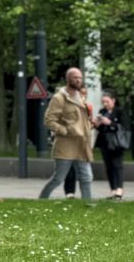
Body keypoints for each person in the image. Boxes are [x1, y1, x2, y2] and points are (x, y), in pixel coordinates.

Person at [38, 67, 95, 201]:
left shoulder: (81, 97)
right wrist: (65, 131)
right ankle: (42, 200)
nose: (78, 80)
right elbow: (49, 121)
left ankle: (88, 204)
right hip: (66, 145)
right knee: (58, 178)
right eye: (75, 77)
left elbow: (80, 121)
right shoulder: (59, 98)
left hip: (82, 144)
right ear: (68, 79)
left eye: (80, 78)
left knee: (86, 177)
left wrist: (91, 124)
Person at [95, 92, 128, 200]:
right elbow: (99, 128)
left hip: (116, 141)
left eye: (107, 101)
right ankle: (113, 189)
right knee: (108, 166)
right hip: (104, 141)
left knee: (117, 164)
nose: (105, 104)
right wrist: (98, 123)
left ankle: (119, 189)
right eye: (103, 102)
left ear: (113, 100)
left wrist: (110, 123)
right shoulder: (102, 111)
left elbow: (123, 126)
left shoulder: (119, 111)